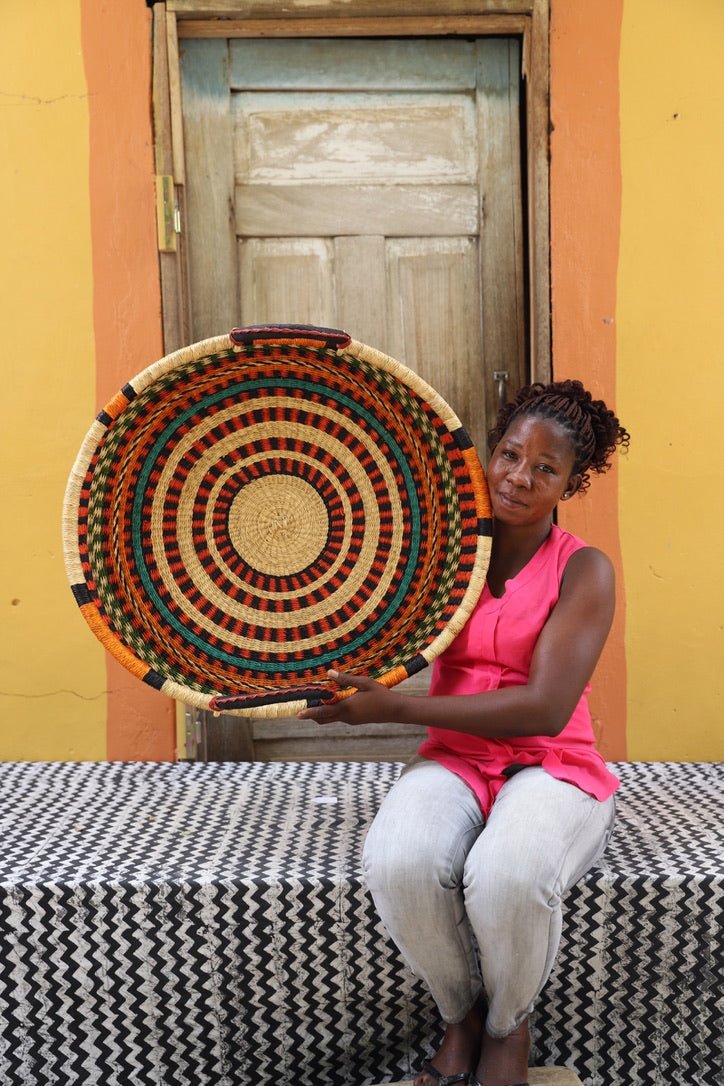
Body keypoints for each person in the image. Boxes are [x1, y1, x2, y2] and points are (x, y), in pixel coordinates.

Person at [299, 379, 630, 1086]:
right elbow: (362, 619)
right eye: (510, 454)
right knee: (398, 861)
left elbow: (543, 708)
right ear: (489, 453)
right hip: (456, 759)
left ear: (573, 481)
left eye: (546, 468)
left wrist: (394, 710)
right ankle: (462, 1016)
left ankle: (510, 1025)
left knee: (506, 875)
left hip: (553, 765)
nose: (519, 477)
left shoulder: (585, 570)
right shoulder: (444, 558)